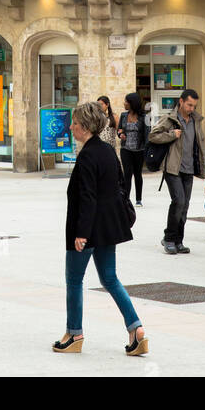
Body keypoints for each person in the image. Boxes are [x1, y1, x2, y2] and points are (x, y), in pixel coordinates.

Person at [53, 101, 148, 356]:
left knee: (74, 279)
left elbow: (87, 197)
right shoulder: (107, 150)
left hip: (88, 228)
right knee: (109, 278)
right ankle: (135, 328)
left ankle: (74, 333)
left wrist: (81, 234)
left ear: (83, 127)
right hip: (109, 227)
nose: (71, 127)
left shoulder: (86, 156)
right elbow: (118, 186)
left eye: (74, 123)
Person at [148, 89, 205, 254]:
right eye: (189, 105)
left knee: (185, 206)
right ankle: (169, 238)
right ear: (181, 101)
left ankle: (178, 241)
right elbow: (153, 136)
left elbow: (200, 145)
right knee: (178, 201)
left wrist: (204, 167)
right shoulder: (170, 119)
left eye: (194, 106)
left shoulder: (196, 120)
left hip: (189, 168)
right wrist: (172, 134)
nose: (191, 108)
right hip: (173, 168)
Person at [117, 92, 147, 208]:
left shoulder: (144, 117)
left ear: (132, 103)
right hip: (125, 149)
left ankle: (138, 199)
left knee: (138, 174)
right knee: (127, 174)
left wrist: (147, 149)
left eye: (126, 102)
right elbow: (119, 129)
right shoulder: (123, 115)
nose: (124, 103)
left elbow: (146, 134)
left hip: (139, 150)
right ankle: (126, 198)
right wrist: (120, 135)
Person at [96, 96, 120, 162]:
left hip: (110, 147)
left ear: (107, 105)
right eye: (98, 105)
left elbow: (119, 130)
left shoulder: (114, 117)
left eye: (101, 104)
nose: (99, 106)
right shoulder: (96, 117)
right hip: (99, 147)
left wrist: (121, 134)